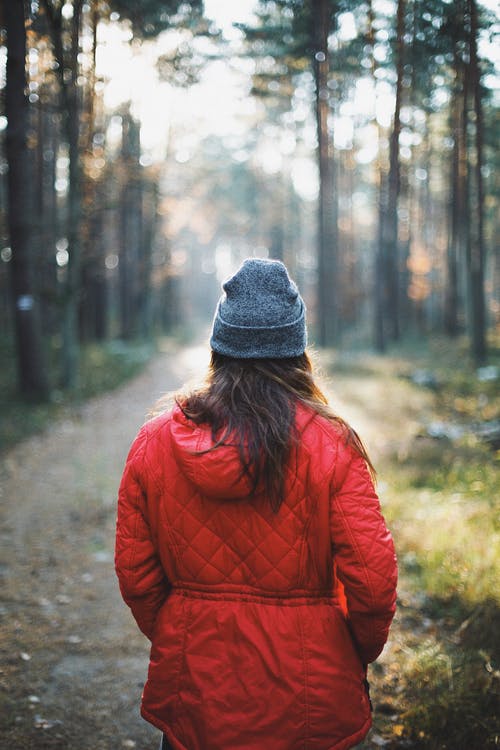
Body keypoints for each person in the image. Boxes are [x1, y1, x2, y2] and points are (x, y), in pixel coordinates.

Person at [115, 258, 398, 750]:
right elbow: (373, 582)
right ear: (297, 350)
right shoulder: (333, 443)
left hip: (196, 692)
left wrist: (181, 628)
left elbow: (135, 574)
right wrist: (350, 650)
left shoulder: (154, 441)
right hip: (310, 692)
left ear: (218, 346)